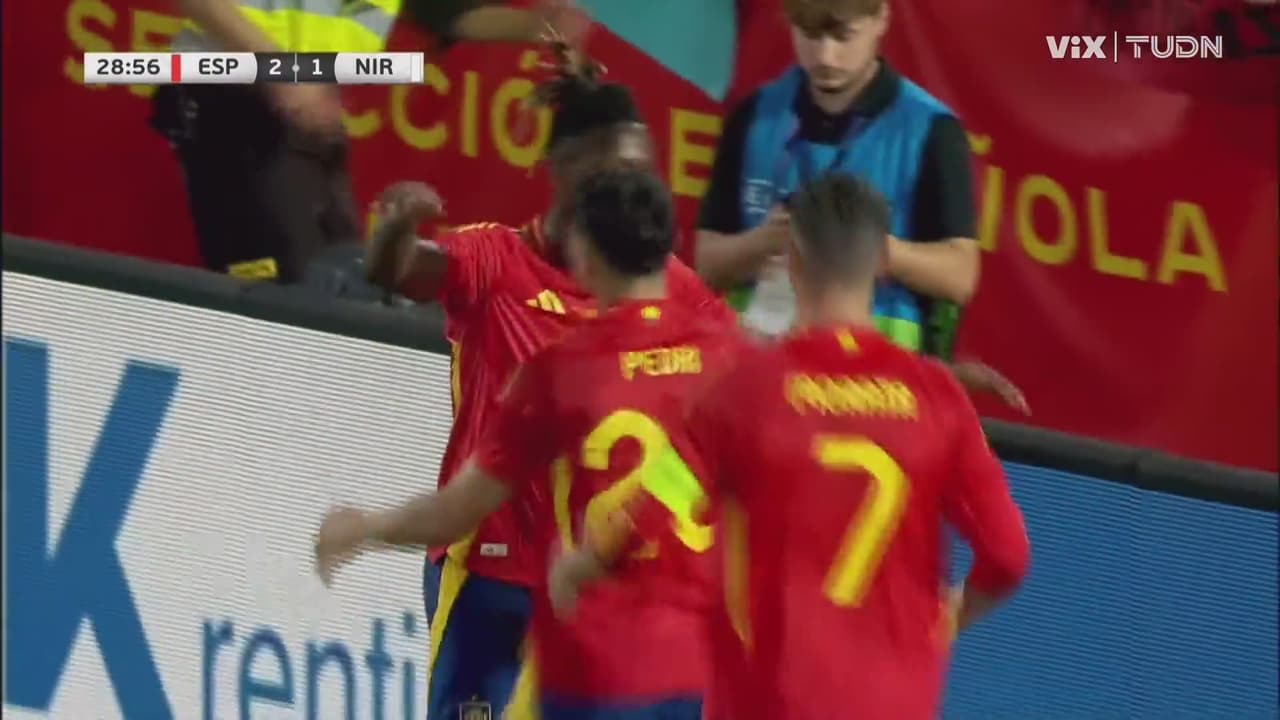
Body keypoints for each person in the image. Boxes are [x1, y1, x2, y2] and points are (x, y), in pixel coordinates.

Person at [551, 173, 1031, 720]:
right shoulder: (938, 397)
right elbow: (1008, 556)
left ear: (793, 261)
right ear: (881, 262)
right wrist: (946, 619)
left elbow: (648, 511)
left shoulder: (743, 391)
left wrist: (581, 566)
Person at [354, 65, 728, 719]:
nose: (631, 186)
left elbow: (743, 385)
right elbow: (402, 270)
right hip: (491, 575)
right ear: (566, 168)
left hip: (597, 585)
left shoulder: (669, 284)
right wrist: (392, 232)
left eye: (641, 170)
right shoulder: (496, 260)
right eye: (616, 168)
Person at [152, 0, 587, 283]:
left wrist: (537, 25)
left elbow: (447, 11)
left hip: (304, 114)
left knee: (338, 285)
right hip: (230, 97)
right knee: (277, 296)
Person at [694, 0, 979, 358]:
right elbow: (706, 262)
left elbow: (960, 276)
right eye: (810, 35)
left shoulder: (931, 130)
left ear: (881, 18)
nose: (826, 57)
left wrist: (864, 248)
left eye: (844, 36)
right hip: (762, 369)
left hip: (877, 377)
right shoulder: (753, 117)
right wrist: (762, 242)